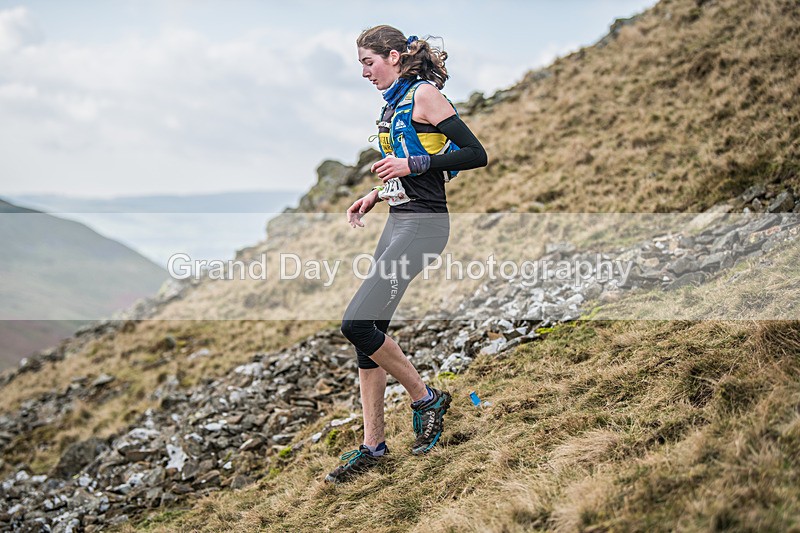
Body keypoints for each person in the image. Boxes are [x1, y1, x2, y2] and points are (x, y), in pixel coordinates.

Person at [325, 25, 487, 484]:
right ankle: (373, 447)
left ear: (393, 56)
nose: (363, 73)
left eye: (368, 62)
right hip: (399, 220)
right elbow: (413, 160)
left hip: (425, 226)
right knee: (370, 332)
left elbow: (475, 154)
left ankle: (425, 399)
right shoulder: (393, 103)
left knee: (355, 324)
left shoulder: (423, 96)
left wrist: (409, 166)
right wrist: (378, 193)